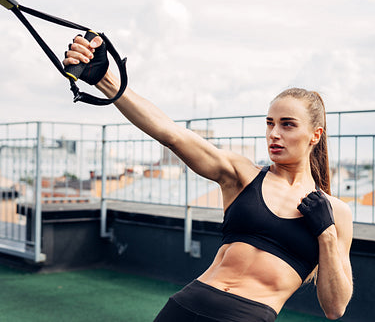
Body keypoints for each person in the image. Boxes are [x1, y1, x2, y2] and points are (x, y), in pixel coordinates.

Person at [63, 35, 353, 321]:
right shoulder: (242, 175)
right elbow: (172, 135)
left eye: (288, 125)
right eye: (270, 124)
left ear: (315, 135)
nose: (274, 134)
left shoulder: (335, 213)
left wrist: (326, 234)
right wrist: (106, 80)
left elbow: (335, 307)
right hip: (187, 305)